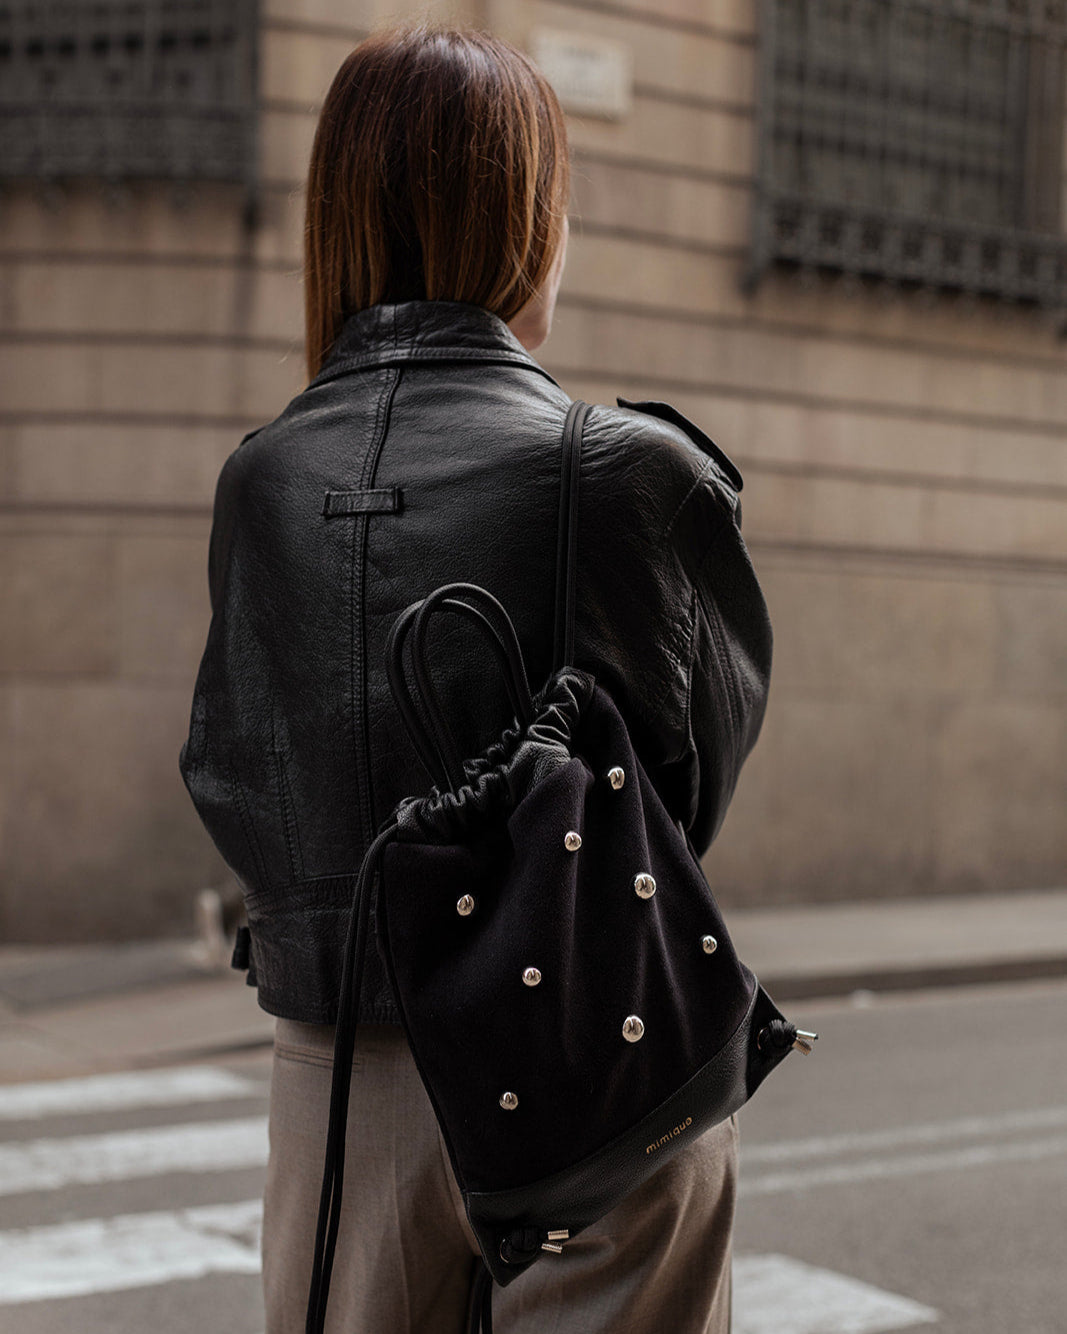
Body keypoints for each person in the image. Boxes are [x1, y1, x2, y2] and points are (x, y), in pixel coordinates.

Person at [179, 23, 772, 1334]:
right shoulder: (636, 473)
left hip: (341, 1074)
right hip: (598, 1053)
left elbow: (227, 765)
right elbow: (687, 782)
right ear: (523, 221)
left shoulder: (259, 479)